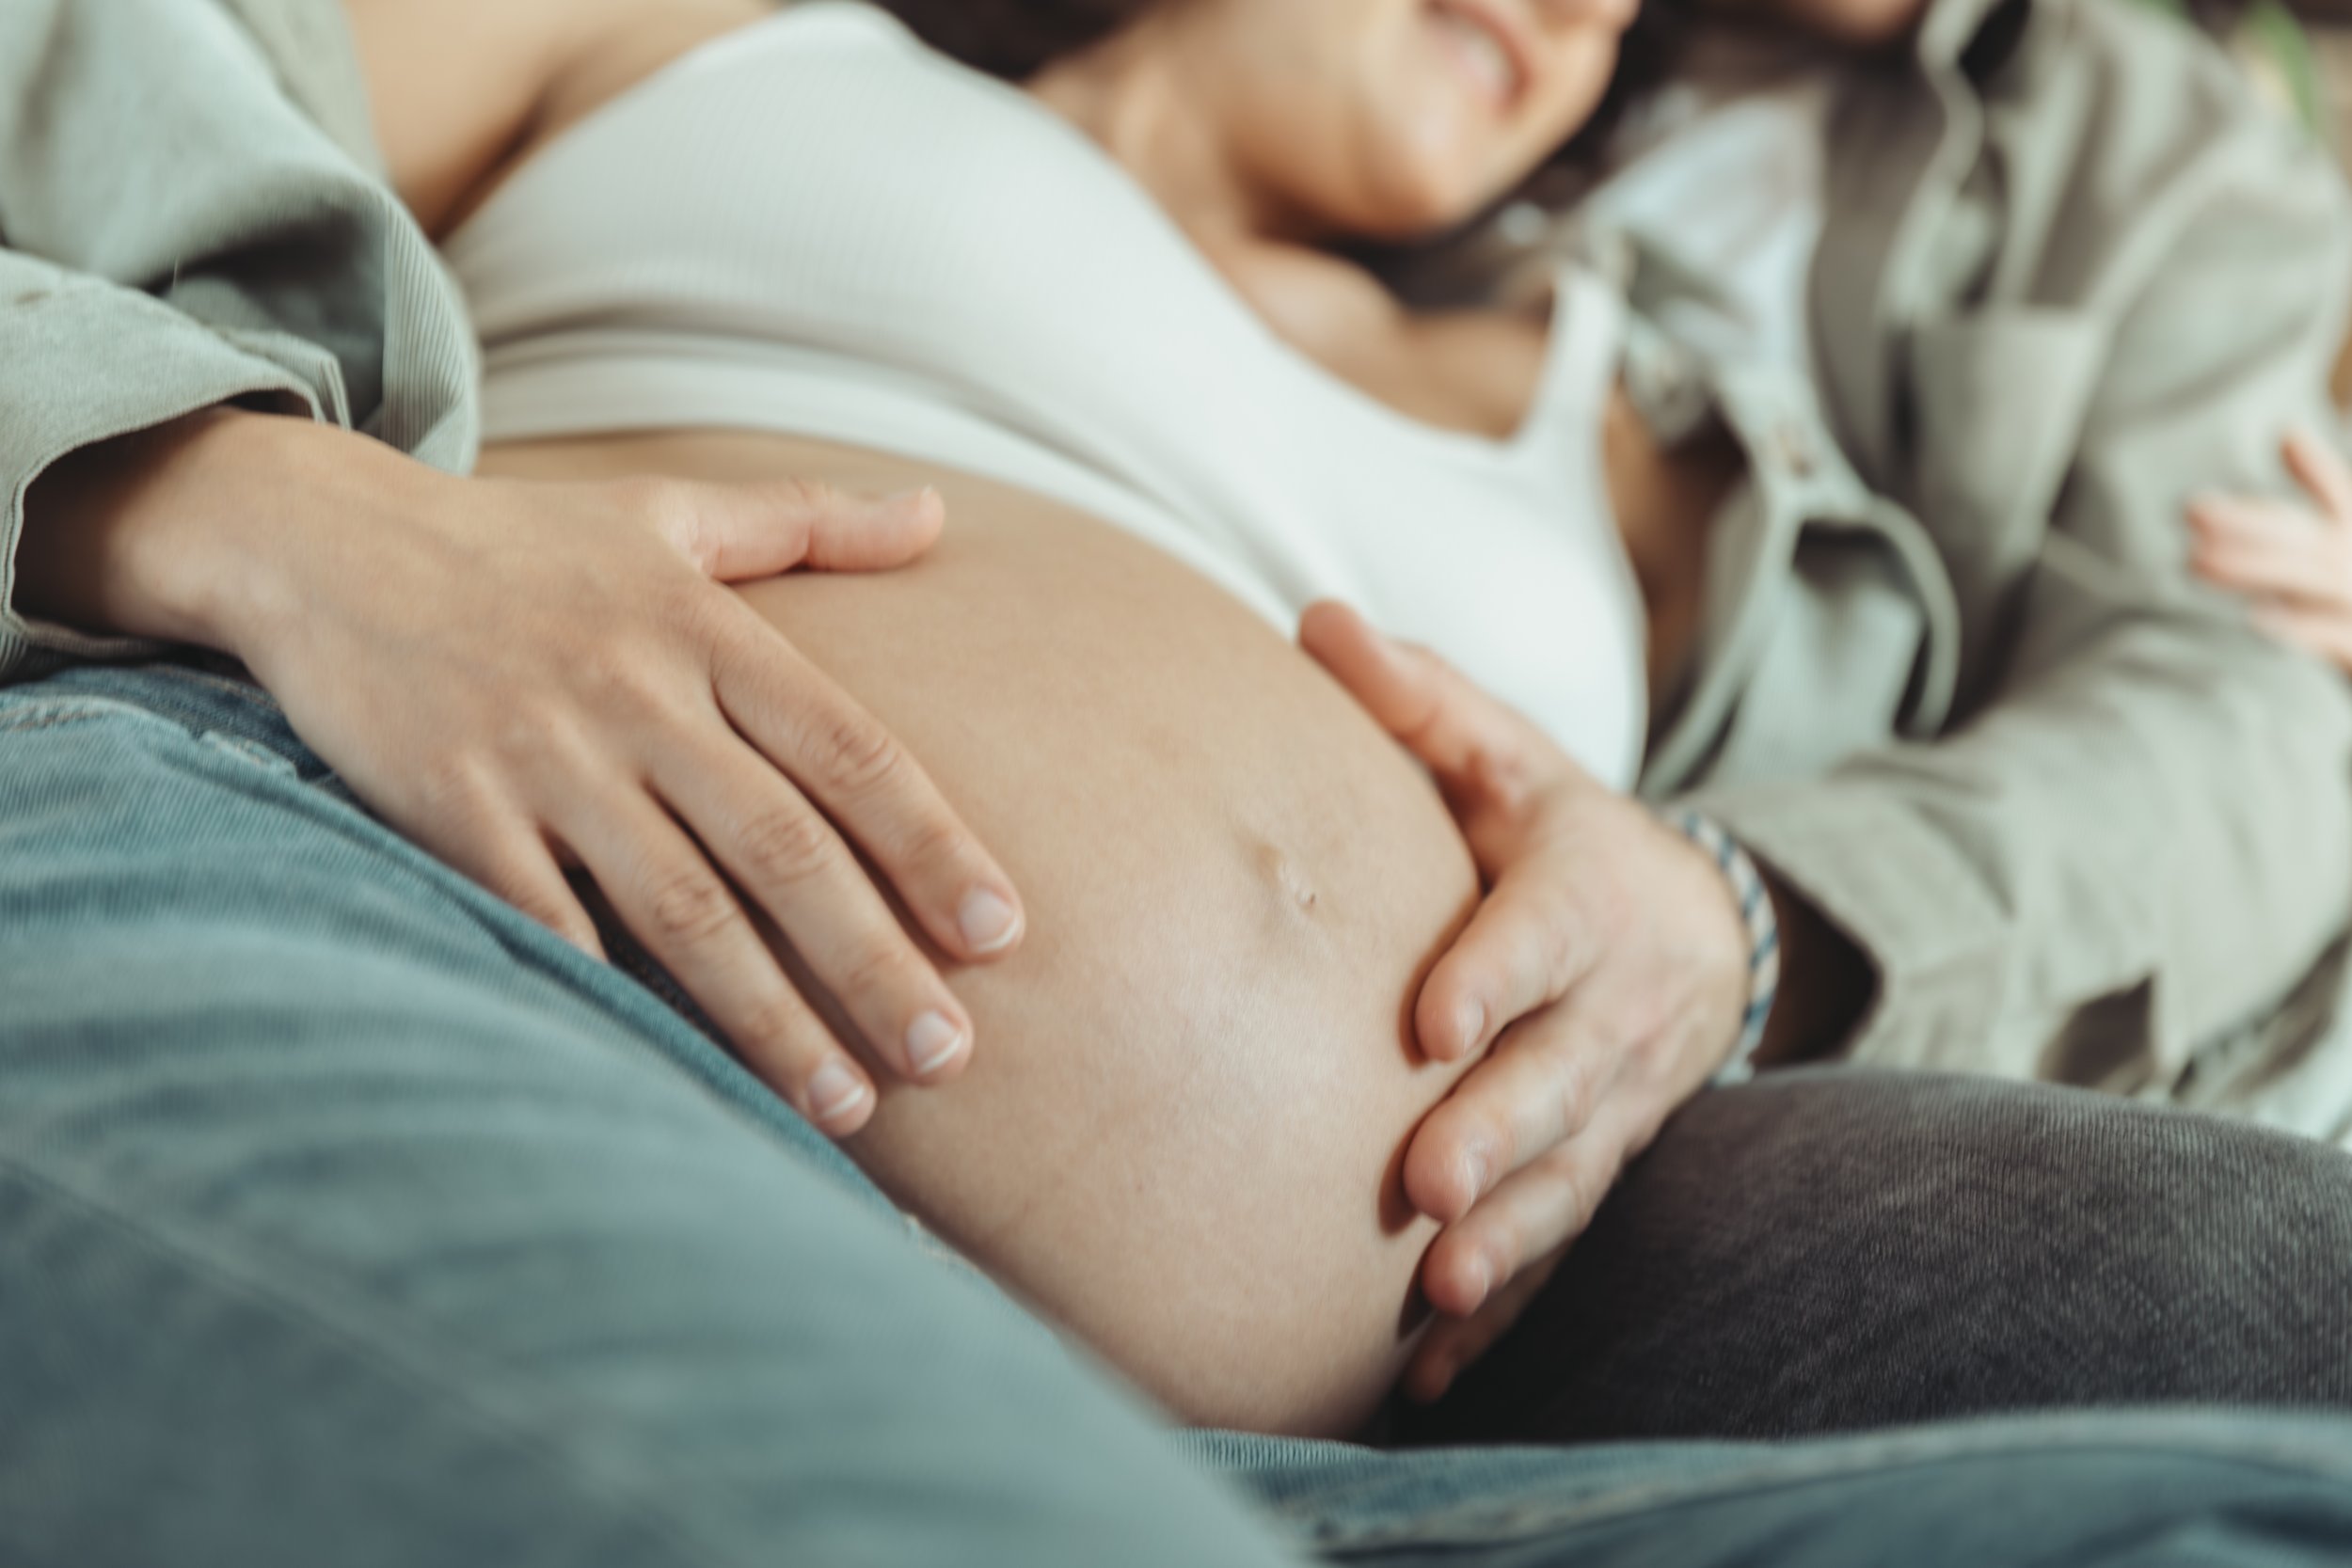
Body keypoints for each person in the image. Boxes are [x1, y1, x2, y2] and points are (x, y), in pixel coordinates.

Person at [8, 0, 2352, 1562]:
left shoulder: (1666, 455)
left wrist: (1725, 916)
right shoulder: (725, 38)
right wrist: (252, 510)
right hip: (405, 915)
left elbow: (2227, 733)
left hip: (1367, 1422)